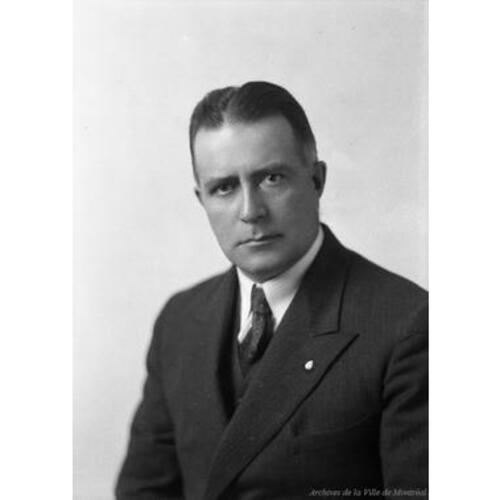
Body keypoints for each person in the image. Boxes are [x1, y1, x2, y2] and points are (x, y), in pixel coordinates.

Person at [115, 81, 428, 500]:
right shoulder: (180, 320)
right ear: (201, 200)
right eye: (224, 187)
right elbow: (144, 491)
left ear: (316, 180)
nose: (250, 211)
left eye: (271, 178)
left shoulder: (408, 324)